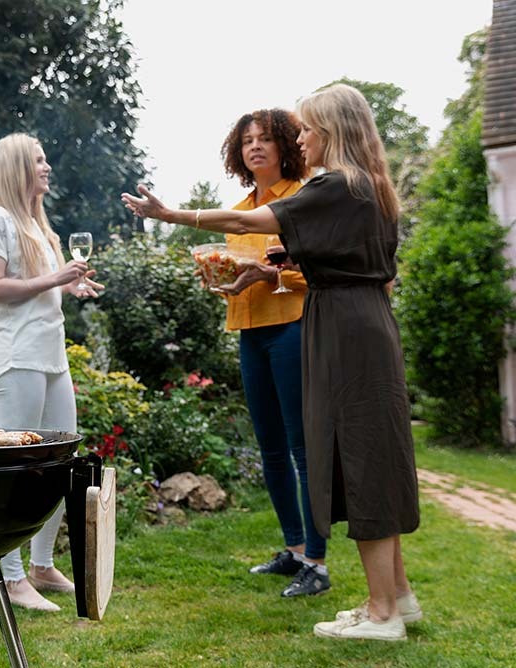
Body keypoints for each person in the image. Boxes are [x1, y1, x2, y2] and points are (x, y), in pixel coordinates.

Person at [121, 83, 421, 642]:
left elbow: (244, 224)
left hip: (346, 330)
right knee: (372, 458)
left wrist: (169, 214)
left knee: (359, 461)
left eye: (307, 129)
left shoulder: (336, 185)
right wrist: (266, 274)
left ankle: (383, 616)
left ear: (332, 130)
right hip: (365, 320)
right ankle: (397, 597)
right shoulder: (373, 187)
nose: (300, 138)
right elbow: (372, 270)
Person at [0, 132, 102, 611]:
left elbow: (34, 289)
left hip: (51, 357)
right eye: (39, 160)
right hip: (18, 359)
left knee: (60, 462)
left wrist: (68, 289)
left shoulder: (35, 222)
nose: (47, 167)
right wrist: (56, 277)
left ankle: (42, 565)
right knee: (18, 469)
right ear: (16, 168)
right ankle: (10, 578)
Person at [215, 109, 330, 598]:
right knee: (270, 450)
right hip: (251, 332)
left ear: (286, 144)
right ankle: (294, 549)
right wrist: (222, 279)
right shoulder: (240, 207)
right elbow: (243, 276)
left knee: (303, 448)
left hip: (293, 329)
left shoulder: (303, 199)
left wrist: (273, 276)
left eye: (265, 138)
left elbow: (320, 269)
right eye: (247, 141)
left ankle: (318, 565)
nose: (255, 147)